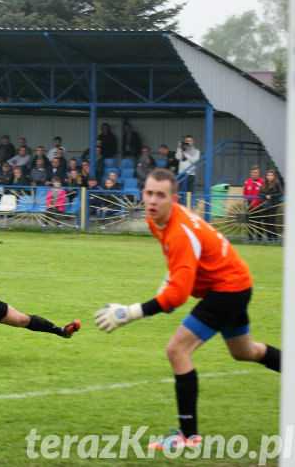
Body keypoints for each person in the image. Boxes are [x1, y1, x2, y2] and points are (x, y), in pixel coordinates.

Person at [94, 168, 280, 451]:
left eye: (161, 195)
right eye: (149, 193)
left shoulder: (180, 230)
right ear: (142, 193)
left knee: (177, 350)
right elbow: (180, 267)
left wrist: (129, 312)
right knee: (245, 352)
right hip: (235, 283)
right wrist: (167, 284)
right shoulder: (156, 219)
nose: (153, 200)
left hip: (227, 289)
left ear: (174, 199)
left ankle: (188, 435)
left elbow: (178, 295)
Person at [258, 169, 283, 241]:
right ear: (266, 176)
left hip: (273, 206)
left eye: (271, 175)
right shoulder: (264, 183)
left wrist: (271, 196)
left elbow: (280, 193)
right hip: (265, 205)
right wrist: (265, 196)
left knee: (272, 223)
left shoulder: (277, 183)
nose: (270, 176)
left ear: (274, 176)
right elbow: (260, 193)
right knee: (266, 223)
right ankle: (269, 240)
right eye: (268, 175)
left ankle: (275, 239)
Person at [243, 165, 264, 240]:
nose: (255, 174)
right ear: (251, 173)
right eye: (253, 172)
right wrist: (245, 204)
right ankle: (250, 239)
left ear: (259, 173)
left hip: (259, 206)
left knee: (258, 223)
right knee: (249, 223)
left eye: (256, 172)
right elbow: (244, 193)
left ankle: (259, 239)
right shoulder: (247, 181)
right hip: (249, 206)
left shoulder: (262, 181)